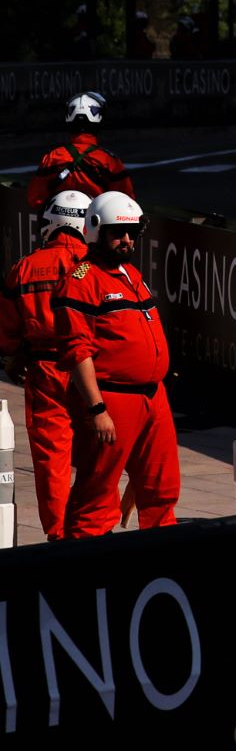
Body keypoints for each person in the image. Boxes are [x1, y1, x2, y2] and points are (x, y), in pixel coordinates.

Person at [55, 191, 179, 537]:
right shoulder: (81, 282)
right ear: (96, 231)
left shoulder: (131, 275)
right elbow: (77, 351)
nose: (126, 241)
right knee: (96, 494)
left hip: (153, 399)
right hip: (112, 400)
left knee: (161, 488)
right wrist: (97, 409)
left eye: (132, 234)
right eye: (117, 233)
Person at [0, 190, 94, 539]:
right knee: (98, 456)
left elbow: (6, 336)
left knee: (51, 461)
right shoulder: (99, 266)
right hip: (92, 372)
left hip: (44, 372)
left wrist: (17, 354)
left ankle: (58, 536)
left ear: (52, 225)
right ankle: (95, 529)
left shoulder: (24, 268)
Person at [25, 93, 135, 211]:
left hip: (58, 227)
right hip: (96, 227)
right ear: (100, 121)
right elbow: (126, 203)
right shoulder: (109, 161)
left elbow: (35, 198)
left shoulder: (52, 157)